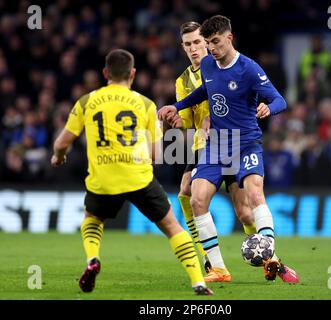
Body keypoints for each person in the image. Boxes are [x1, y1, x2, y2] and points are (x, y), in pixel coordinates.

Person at [51, 49, 213, 295]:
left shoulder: (86, 101)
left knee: (92, 219)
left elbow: (62, 143)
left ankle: (92, 259)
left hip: (103, 179)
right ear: (133, 74)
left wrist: (58, 157)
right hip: (138, 176)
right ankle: (198, 281)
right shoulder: (145, 104)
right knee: (172, 227)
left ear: (105, 73)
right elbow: (156, 155)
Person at [159, 15, 299, 283]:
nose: (210, 49)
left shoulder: (248, 68)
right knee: (195, 197)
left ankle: (270, 255)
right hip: (216, 144)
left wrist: (269, 108)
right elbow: (204, 93)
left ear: (228, 38)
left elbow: (279, 98)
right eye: (205, 43)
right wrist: (176, 107)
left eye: (213, 42)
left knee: (252, 200)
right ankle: (218, 268)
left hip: (245, 142)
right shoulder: (207, 66)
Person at [170, 21, 255, 281]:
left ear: (206, 42)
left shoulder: (222, 65)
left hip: (231, 141)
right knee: (186, 192)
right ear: (183, 48)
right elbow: (186, 120)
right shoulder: (183, 80)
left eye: (198, 42)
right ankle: (208, 257)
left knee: (244, 211)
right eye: (188, 45)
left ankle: (269, 256)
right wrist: (173, 119)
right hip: (203, 145)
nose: (194, 49)